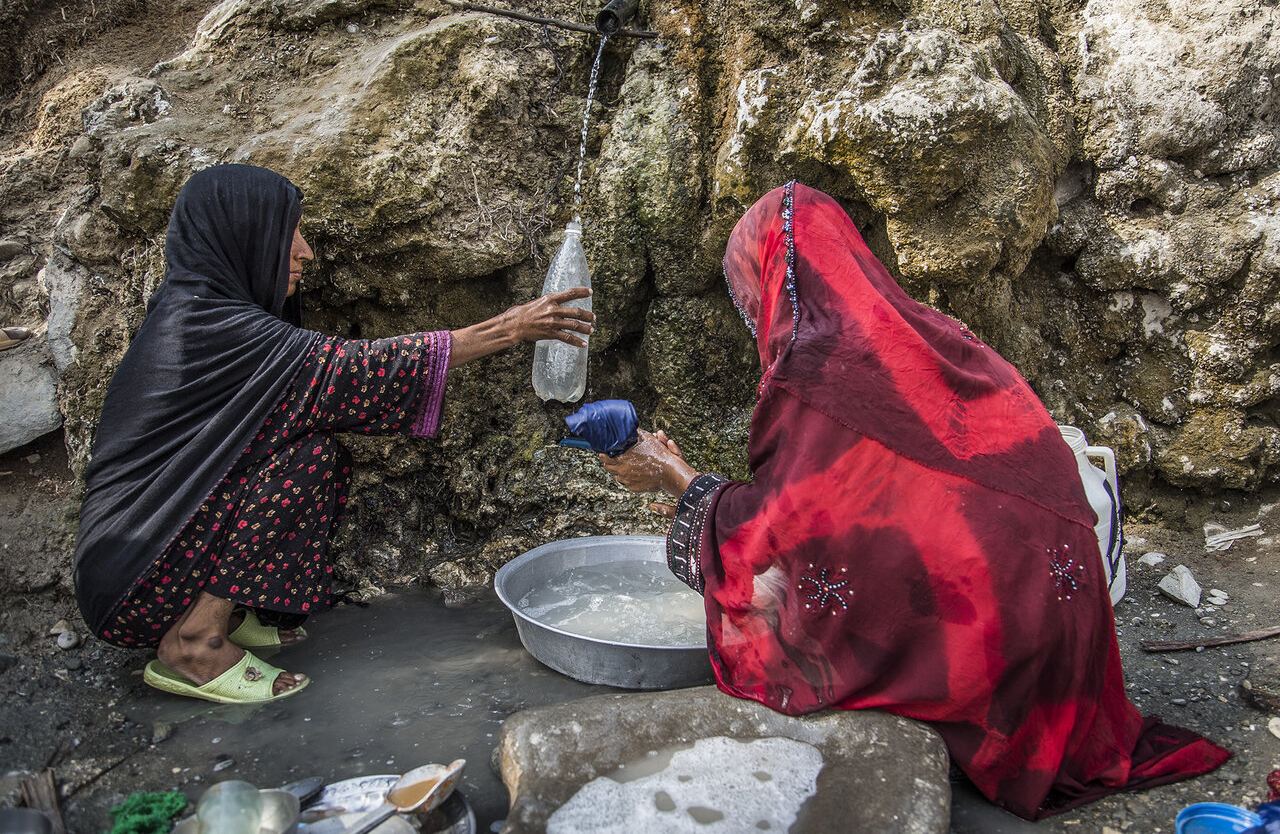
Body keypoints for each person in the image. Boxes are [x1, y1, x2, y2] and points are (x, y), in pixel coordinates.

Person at [599, 182, 1229, 819]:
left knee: (788, 607)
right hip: (1067, 642)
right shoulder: (928, 339)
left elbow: (783, 535)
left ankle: (957, 706)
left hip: (1001, 663)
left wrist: (678, 479)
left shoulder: (810, 370)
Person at [74, 164, 594, 704]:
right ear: (242, 237)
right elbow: (355, 370)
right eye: (288, 234)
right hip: (134, 583)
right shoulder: (206, 326)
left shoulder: (201, 311)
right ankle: (192, 643)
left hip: (151, 563)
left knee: (312, 454)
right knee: (300, 467)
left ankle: (226, 614)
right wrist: (509, 328)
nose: (305, 252)